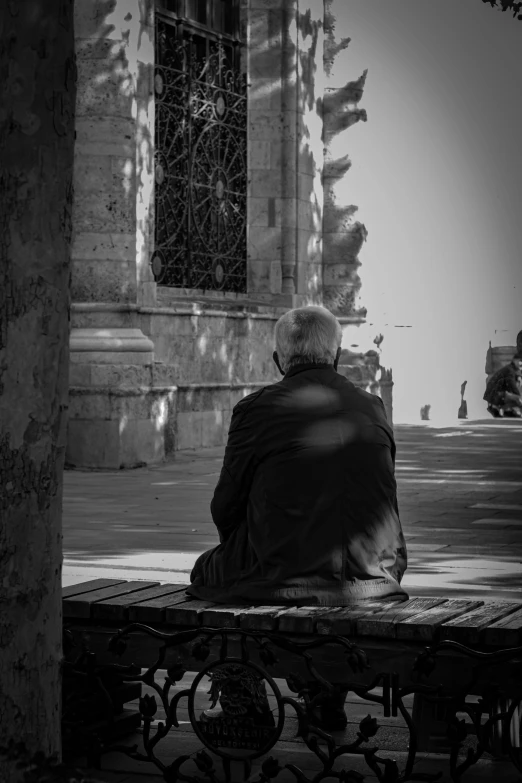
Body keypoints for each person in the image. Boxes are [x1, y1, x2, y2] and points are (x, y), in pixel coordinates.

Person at [187, 305, 408, 608]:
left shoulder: (256, 409)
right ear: (337, 355)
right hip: (377, 574)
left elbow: (226, 507)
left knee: (205, 568)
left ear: (279, 362)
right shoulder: (373, 406)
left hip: (285, 579)